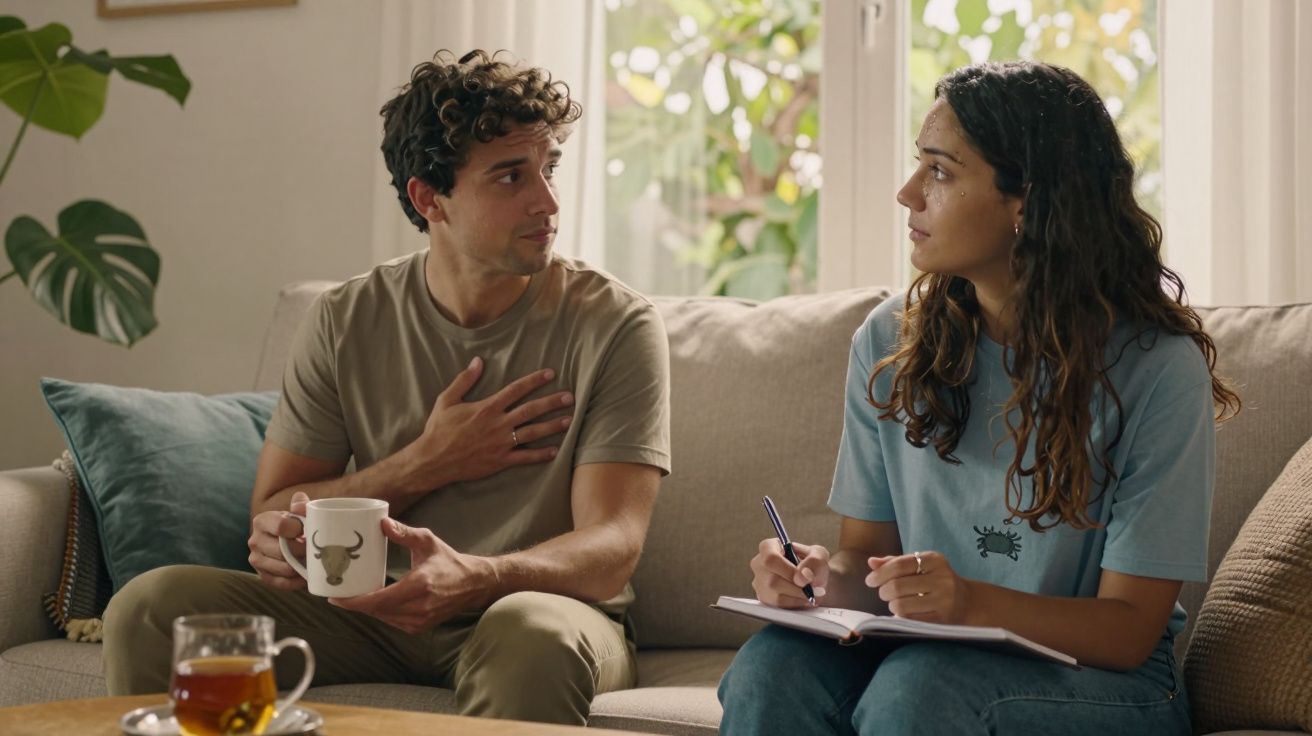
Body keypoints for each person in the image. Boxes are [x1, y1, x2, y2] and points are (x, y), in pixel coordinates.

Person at [102, 49, 671, 726]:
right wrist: (429, 461)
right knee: (150, 605)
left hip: (531, 609)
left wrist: (478, 577)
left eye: (548, 169)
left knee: (532, 638)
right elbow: (277, 508)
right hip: (366, 612)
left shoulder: (616, 324)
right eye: (512, 176)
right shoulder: (346, 319)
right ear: (429, 198)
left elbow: (612, 547)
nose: (546, 200)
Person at [717, 60, 1240, 735]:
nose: (908, 192)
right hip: (926, 655)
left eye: (939, 170)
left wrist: (967, 602)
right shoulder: (888, 342)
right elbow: (865, 558)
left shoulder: (1156, 369)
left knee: (919, 690)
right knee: (772, 667)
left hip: (1106, 682)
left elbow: (1129, 631)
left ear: (1025, 201)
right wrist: (815, 580)